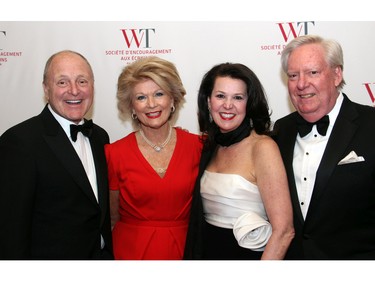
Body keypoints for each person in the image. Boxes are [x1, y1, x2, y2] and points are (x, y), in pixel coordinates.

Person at [0, 50, 113, 259]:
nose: (74, 90)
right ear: (46, 88)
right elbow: (10, 231)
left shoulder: (100, 137)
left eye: (82, 81)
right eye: (62, 82)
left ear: (92, 86)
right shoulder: (19, 142)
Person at [272, 34, 375, 259]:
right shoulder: (282, 130)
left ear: (337, 75)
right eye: (293, 75)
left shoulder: (371, 124)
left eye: (312, 72)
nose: (301, 84)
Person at [184, 62, 294, 260]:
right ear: (208, 102)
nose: (228, 105)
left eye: (238, 97)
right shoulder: (212, 147)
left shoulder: (263, 147)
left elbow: (284, 231)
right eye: (220, 96)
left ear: (249, 103)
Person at [105, 56, 203, 260]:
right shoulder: (114, 153)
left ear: (173, 99)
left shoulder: (199, 147)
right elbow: (112, 217)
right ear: (131, 106)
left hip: (187, 251)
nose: (151, 104)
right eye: (140, 97)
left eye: (159, 94)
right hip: (130, 253)